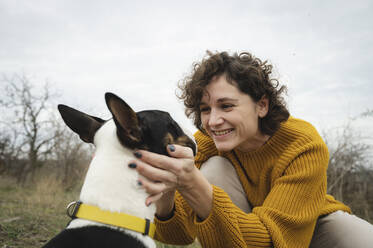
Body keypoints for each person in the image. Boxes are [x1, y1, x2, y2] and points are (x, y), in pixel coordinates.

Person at [128, 51, 373, 247]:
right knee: (214, 168)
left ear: (262, 105)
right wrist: (167, 193)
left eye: (226, 106)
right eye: (205, 109)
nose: (213, 121)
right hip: (240, 230)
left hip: (307, 227)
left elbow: (272, 240)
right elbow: (177, 235)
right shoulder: (205, 142)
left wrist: (193, 185)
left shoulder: (303, 144)